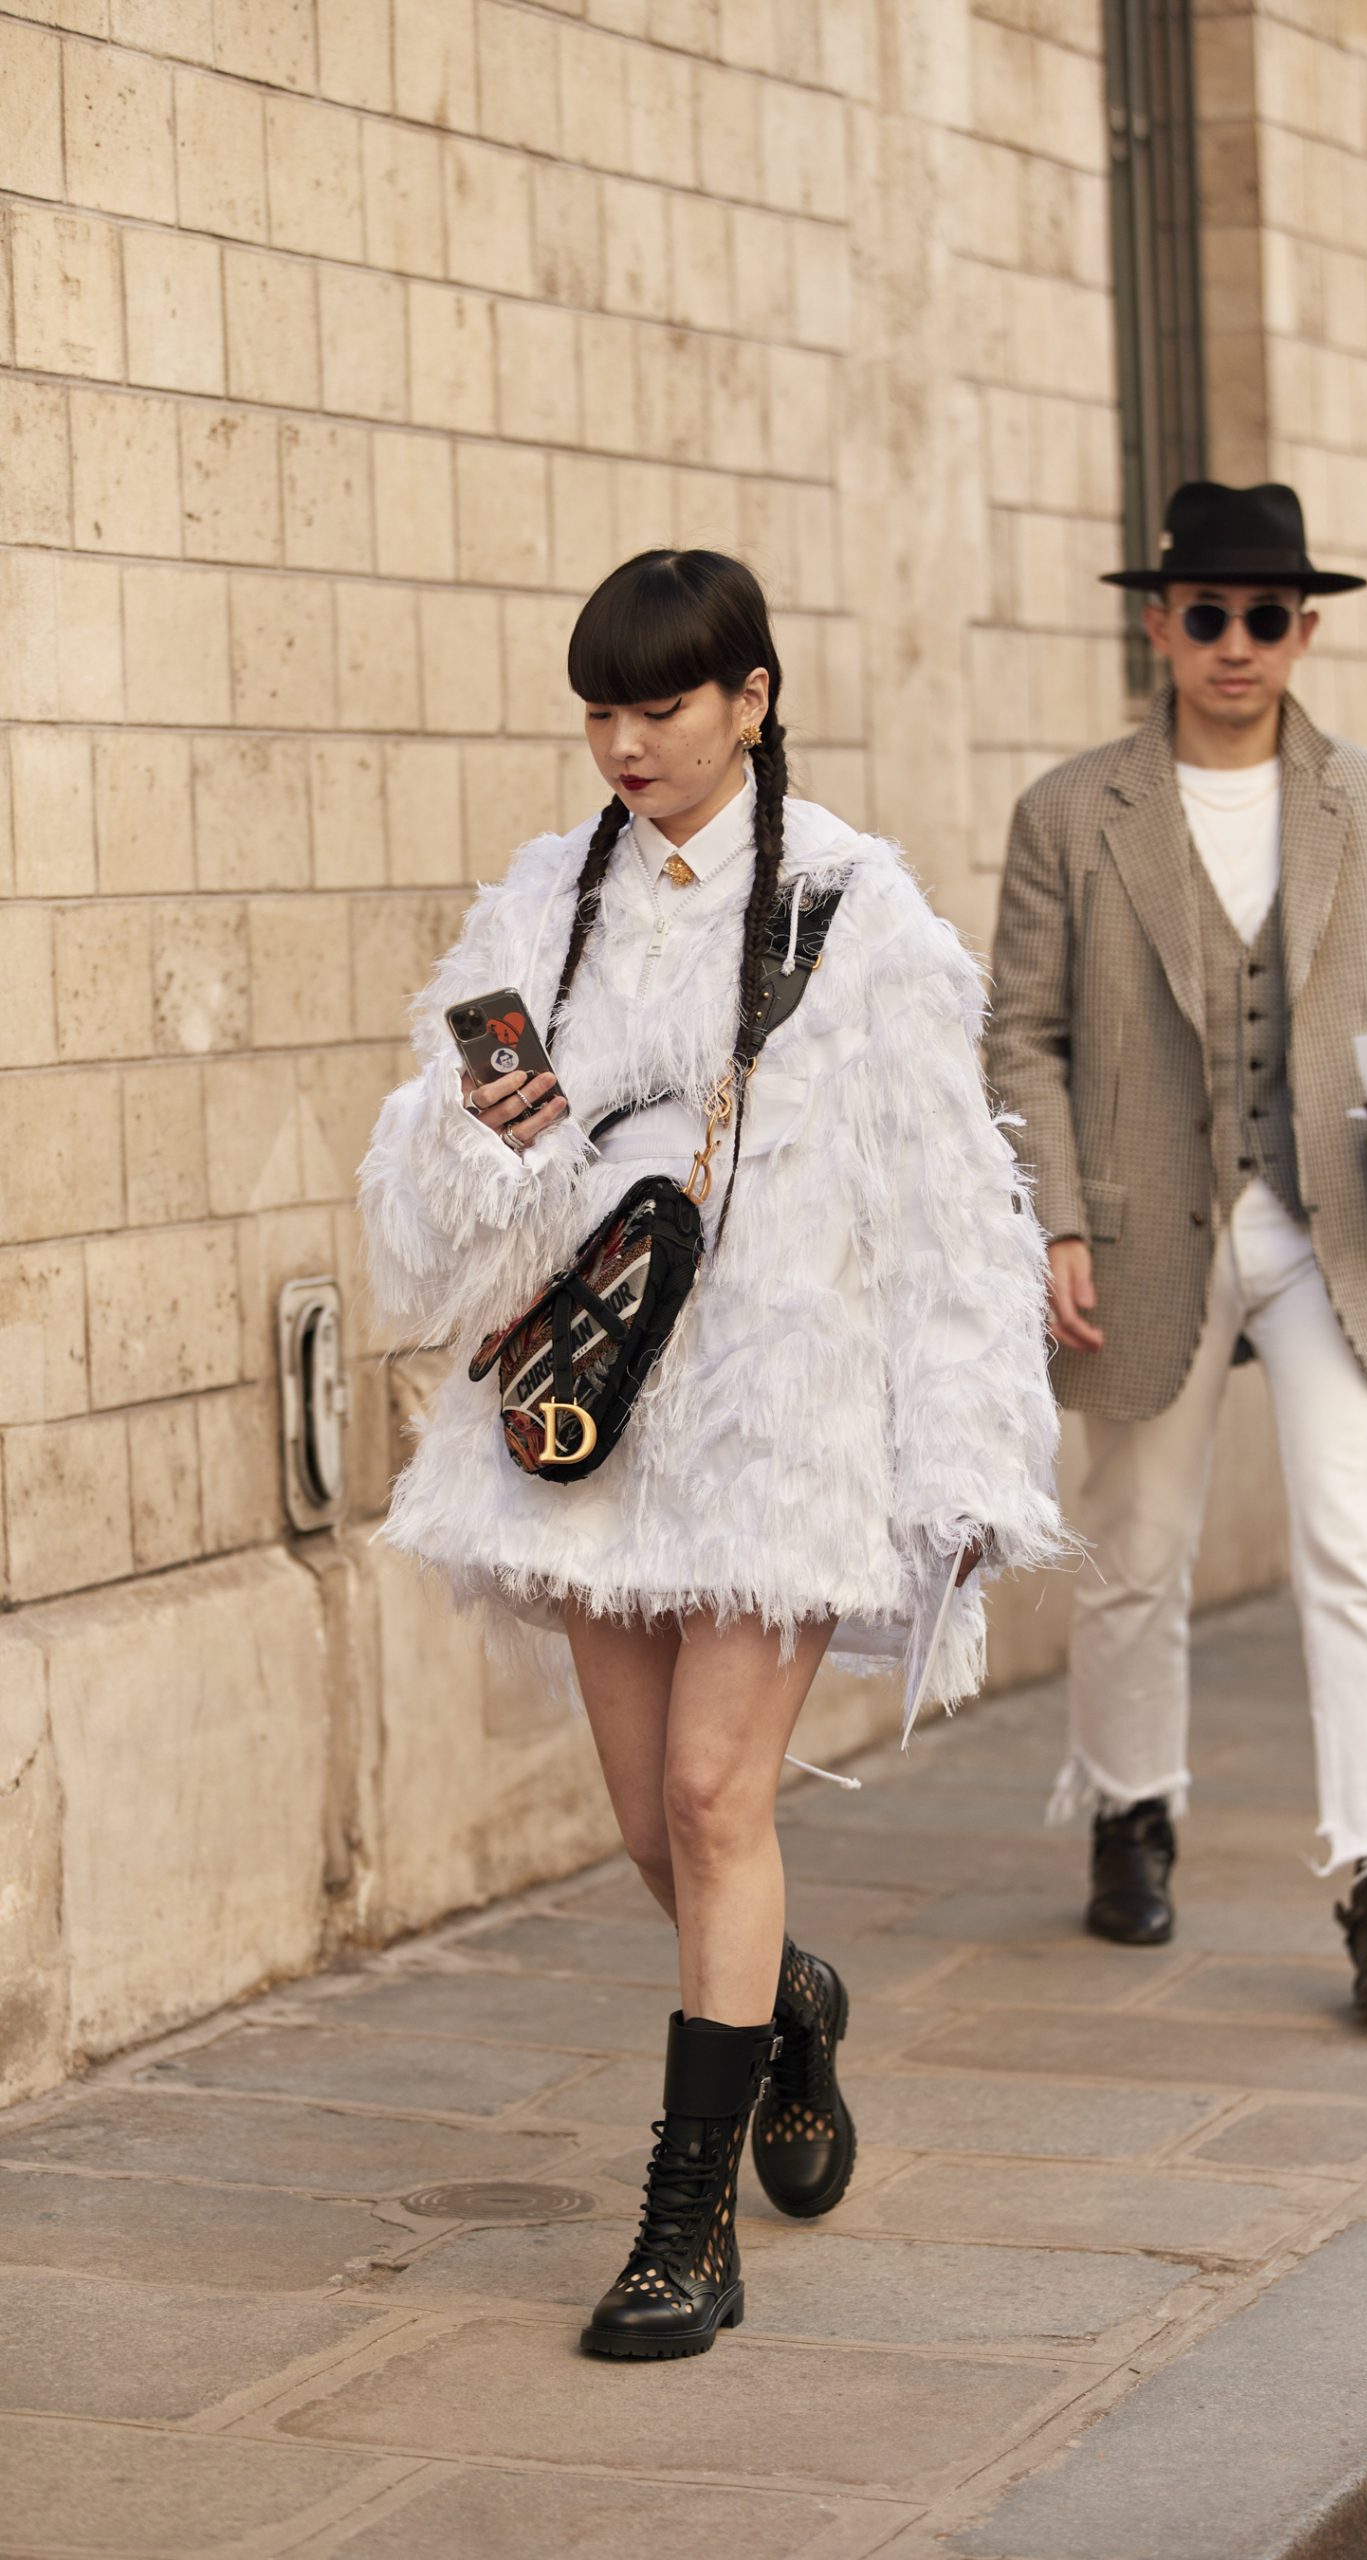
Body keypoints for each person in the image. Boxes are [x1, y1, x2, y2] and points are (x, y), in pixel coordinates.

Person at [360, 550, 1060, 2356]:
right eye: (598, 709)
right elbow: (440, 1231)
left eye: (658, 705)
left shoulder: (859, 908)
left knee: (708, 1800)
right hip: (598, 1421)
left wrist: (964, 1452)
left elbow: (949, 1199)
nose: (623, 742)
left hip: (788, 1419)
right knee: (651, 1837)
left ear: (749, 697)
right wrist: (486, 1139)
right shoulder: (546, 899)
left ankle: (684, 2233)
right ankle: (788, 1999)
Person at [987, 481, 1367, 2021]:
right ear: (1157, 623)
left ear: (1303, 629)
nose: (1236, 643)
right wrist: (1051, 1212)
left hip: (1329, 1213)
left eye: (1266, 617)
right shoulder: (1069, 812)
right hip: (1143, 1223)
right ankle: (1130, 1808)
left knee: (1364, 1547)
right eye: (1207, 614)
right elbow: (1021, 1038)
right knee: (1135, 1544)